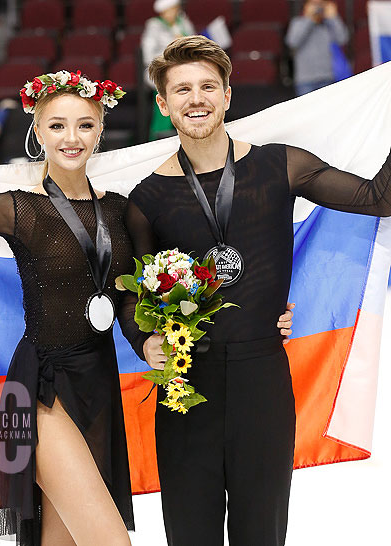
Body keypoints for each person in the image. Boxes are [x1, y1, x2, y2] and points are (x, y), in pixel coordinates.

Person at [0, 69, 294, 545]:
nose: (72, 138)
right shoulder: (18, 208)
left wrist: (253, 310)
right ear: (38, 132)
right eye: (58, 126)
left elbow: (136, 297)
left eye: (85, 125)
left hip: (98, 385)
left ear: (101, 131)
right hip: (38, 390)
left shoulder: (121, 210)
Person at [121, 35, 391, 546]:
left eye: (207, 86)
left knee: (261, 535)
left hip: (262, 380)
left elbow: (379, 198)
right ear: (163, 104)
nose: (195, 98)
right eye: (181, 90)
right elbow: (132, 293)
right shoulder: (147, 199)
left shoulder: (280, 165)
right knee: (190, 536)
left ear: (227, 94)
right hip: (186, 387)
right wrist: (142, 339)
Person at [142, 0, 195, 140]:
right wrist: (172, 46)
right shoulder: (154, 25)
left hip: (185, 69)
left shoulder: (183, 22)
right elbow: (148, 55)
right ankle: (159, 136)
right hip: (162, 70)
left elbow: (195, 43)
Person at [285, 0, 349, 96]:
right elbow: (292, 42)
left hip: (327, 77)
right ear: (305, 6)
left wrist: (334, 18)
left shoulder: (329, 25)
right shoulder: (298, 22)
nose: (318, 8)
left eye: (320, 5)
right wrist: (309, 19)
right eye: (314, 4)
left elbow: (343, 39)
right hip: (305, 79)